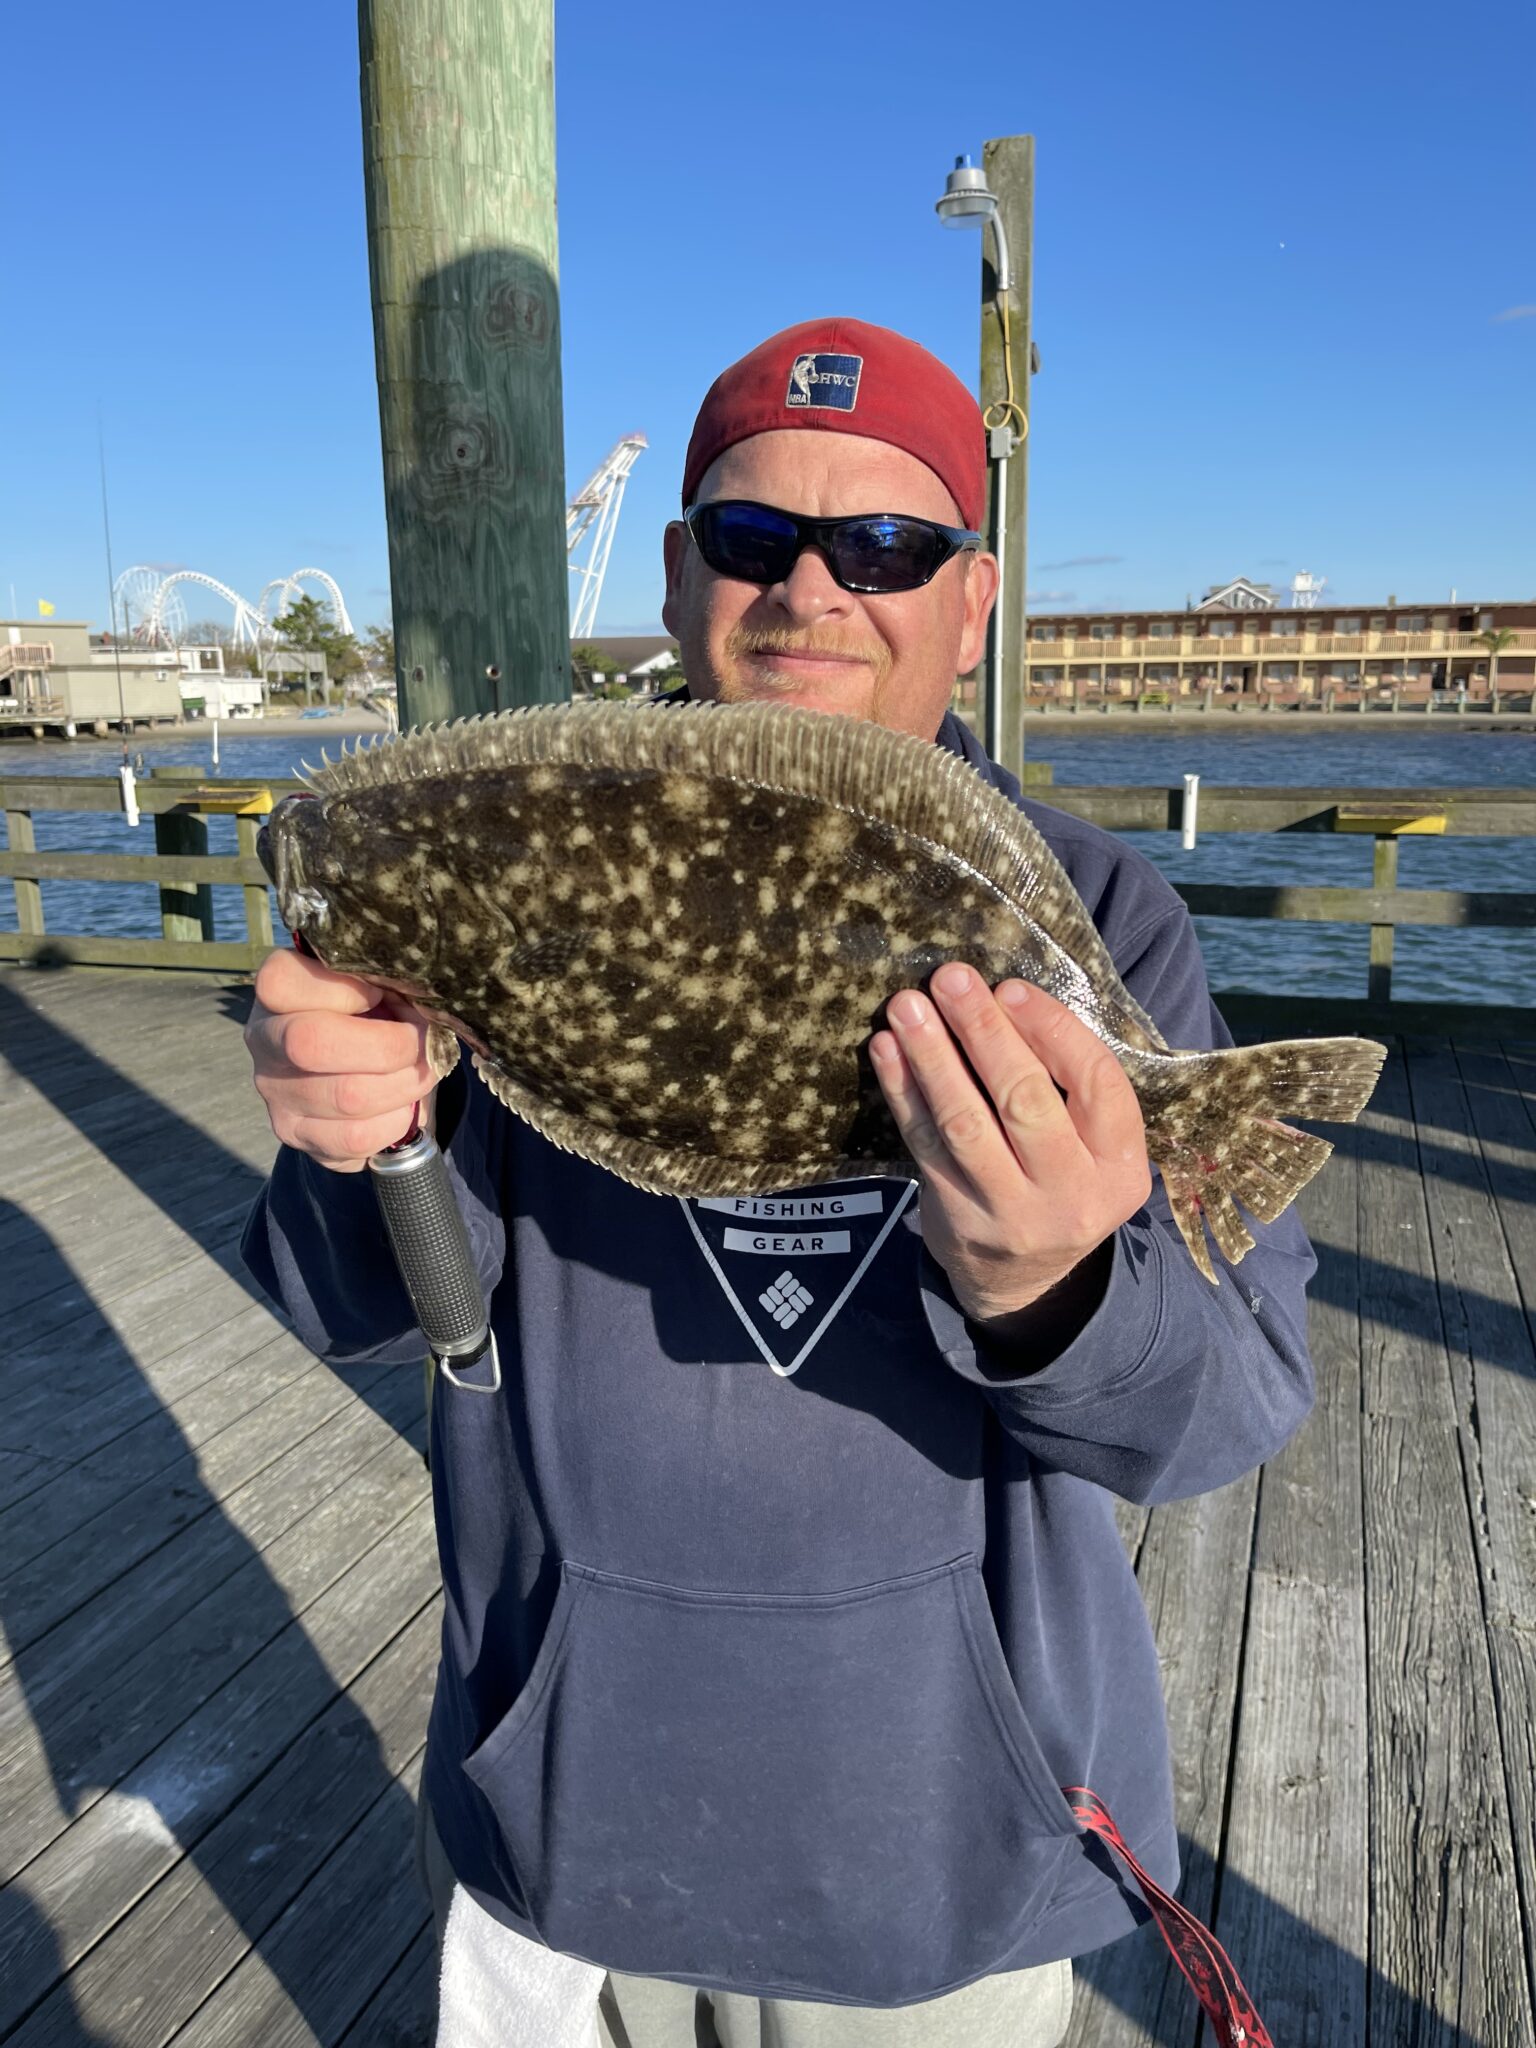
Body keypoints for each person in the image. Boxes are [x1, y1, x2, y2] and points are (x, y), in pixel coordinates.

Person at [241, 317, 1316, 2048]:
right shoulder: (537, 852)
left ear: (971, 599)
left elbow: (1228, 1411)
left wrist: (1054, 1292)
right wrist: (358, 1138)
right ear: (680, 577)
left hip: (946, 1873)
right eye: (756, 537)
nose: (814, 589)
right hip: (565, 1848)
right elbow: (360, 1306)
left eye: (884, 545)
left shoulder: (1102, 922)